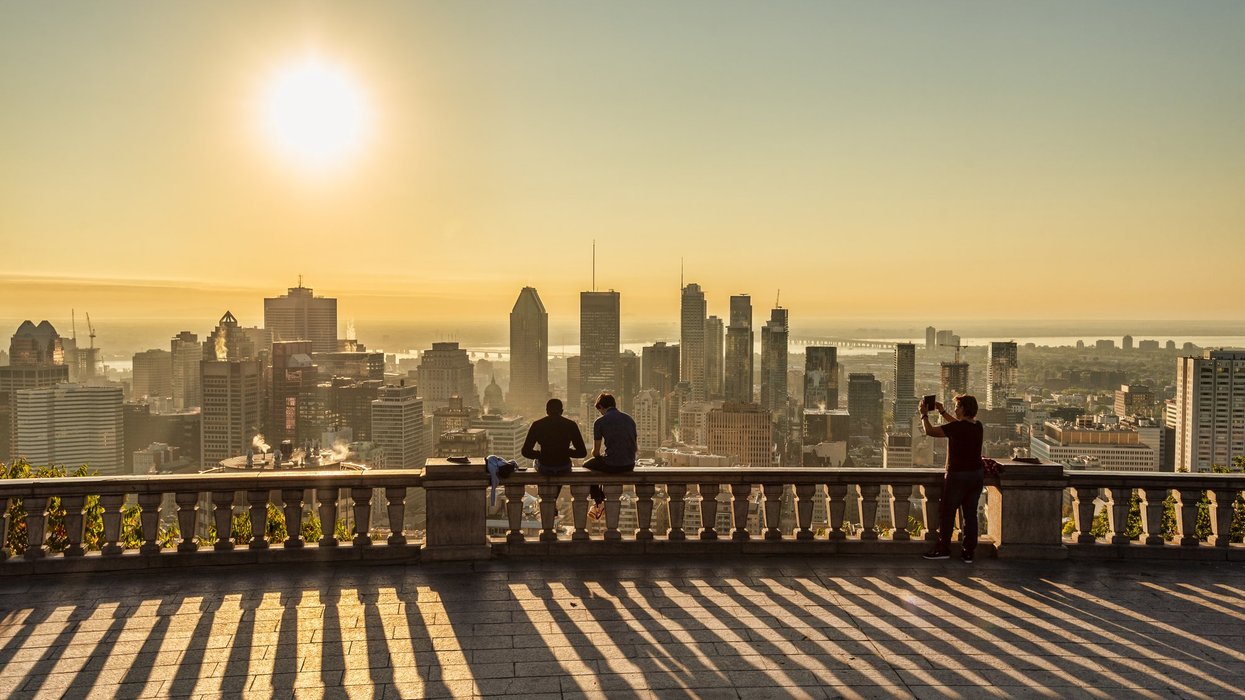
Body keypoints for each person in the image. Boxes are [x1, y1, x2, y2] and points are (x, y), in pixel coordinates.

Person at [920, 394, 984, 563]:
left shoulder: (957, 429)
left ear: (963, 409)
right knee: (970, 515)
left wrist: (924, 414)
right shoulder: (978, 426)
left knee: (947, 513)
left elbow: (929, 431)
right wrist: (942, 412)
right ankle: (968, 551)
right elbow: (958, 425)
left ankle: (943, 549)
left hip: (957, 475)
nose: (955, 409)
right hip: (976, 475)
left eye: (957, 406)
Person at [582, 393, 637, 520]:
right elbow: (634, 444)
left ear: (601, 406)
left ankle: (598, 501)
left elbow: (596, 452)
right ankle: (599, 502)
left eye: (599, 410)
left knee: (587, 466)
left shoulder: (600, 422)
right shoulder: (629, 419)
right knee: (603, 463)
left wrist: (597, 455)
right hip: (629, 463)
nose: (600, 413)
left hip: (613, 464)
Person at [520, 399, 588, 475]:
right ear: (562, 411)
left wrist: (542, 454)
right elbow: (582, 453)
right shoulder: (571, 425)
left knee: (535, 462)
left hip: (545, 466)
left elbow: (525, 452)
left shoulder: (537, 425)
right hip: (564, 466)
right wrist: (565, 452)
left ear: (547, 411)